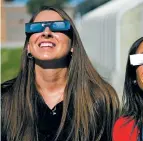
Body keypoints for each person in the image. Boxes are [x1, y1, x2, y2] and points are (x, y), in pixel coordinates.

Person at [1, 6, 120, 141]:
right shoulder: (4, 99)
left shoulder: (99, 99)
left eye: (57, 27)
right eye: (36, 28)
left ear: (72, 45)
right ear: (28, 46)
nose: (46, 32)